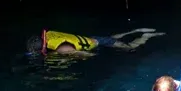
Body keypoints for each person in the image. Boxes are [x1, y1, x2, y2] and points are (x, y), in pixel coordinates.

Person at [29, 28, 163, 56]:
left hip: (98, 43)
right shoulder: (52, 37)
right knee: (110, 37)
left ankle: (145, 36)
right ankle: (134, 31)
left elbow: (80, 52)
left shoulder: (60, 49)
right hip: (92, 37)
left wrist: (94, 56)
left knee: (130, 47)